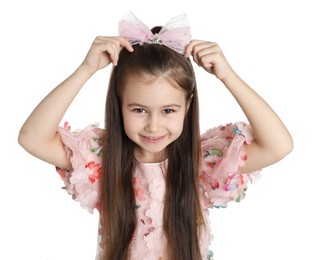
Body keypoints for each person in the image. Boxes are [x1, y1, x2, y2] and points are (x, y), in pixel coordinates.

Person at [18, 12, 293, 260]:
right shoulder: (101, 161)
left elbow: (278, 146)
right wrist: (85, 69)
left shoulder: (204, 163)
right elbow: (33, 138)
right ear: (119, 104)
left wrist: (228, 76)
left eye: (168, 110)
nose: (153, 125)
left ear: (188, 106)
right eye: (139, 109)